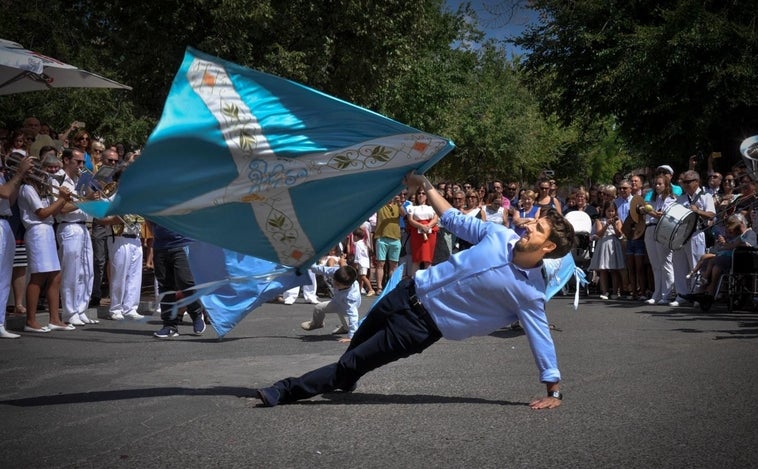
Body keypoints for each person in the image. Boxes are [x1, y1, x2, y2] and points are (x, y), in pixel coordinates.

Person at [253, 171, 575, 409]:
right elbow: (452, 218)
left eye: (539, 228)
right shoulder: (498, 235)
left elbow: (539, 336)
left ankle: (284, 390)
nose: (529, 224)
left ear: (547, 246)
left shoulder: (530, 292)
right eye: (534, 222)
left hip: (420, 327)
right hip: (404, 294)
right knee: (355, 352)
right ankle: (346, 377)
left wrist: (553, 390)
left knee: (350, 364)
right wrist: (427, 186)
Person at [17, 154, 75, 332]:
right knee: (38, 276)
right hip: (37, 231)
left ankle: (54, 319)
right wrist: (62, 199)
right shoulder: (27, 188)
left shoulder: (43, 189)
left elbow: (56, 211)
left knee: (55, 276)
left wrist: (62, 199)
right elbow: (42, 213)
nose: (42, 174)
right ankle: (31, 320)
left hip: (47, 230)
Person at [52, 148, 98, 325]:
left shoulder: (80, 180)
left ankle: (81, 308)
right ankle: (69, 312)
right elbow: (62, 208)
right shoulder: (58, 180)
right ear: (65, 160)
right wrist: (86, 199)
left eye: (82, 162)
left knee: (86, 271)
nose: (81, 166)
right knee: (71, 272)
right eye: (78, 162)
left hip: (83, 227)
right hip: (69, 227)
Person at [151, 222, 207, 338]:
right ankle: (169, 326)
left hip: (182, 243)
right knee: (165, 286)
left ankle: (196, 314)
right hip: (160, 245)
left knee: (185, 282)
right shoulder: (150, 204)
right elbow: (149, 219)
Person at [670, 170, 715, 307]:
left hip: (696, 234)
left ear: (697, 182)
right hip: (681, 235)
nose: (685, 184)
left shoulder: (706, 196)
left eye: (688, 182)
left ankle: (697, 295)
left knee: (696, 265)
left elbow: (712, 215)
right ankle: (682, 295)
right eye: (684, 182)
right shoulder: (682, 198)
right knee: (679, 265)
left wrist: (698, 211)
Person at [0, 153, 33, 338]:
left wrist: (18, 178)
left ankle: (0, 322)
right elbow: (4, 192)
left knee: (4, 277)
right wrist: (19, 174)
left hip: (5, 221)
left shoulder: (3, 175)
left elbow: (10, 200)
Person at [300, 259, 361, 339]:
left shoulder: (351, 297)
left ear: (347, 285)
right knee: (318, 308)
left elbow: (353, 315)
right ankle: (317, 324)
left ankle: (346, 328)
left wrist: (351, 337)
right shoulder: (337, 273)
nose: (334, 284)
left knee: (349, 325)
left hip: (345, 307)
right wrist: (309, 266)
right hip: (336, 301)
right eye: (334, 281)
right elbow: (322, 269)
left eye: (338, 284)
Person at [643, 176, 676, 305]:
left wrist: (650, 212)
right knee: (655, 265)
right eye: (655, 184)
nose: (657, 186)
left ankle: (667, 294)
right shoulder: (653, 199)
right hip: (650, 229)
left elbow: (663, 215)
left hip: (663, 229)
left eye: (660, 184)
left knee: (666, 263)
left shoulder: (670, 199)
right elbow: (646, 211)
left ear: (666, 185)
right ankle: (657, 293)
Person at [589, 202, 625, 300]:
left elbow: (620, 234)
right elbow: (599, 234)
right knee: (603, 269)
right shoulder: (599, 220)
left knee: (614, 269)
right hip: (603, 244)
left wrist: (613, 225)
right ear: (604, 211)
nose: (610, 213)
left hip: (614, 245)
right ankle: (604, 291)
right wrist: (606, 225)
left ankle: (614, 291)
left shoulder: (618, 221)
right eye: (608, 211)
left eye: (612, 211)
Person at [403, 186, 439, 275]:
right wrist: (420, 226)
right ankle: (414, 281)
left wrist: (428, 226)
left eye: (423, 193)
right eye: (419, 193)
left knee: (428, 259)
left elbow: (435, 218)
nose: (421, 195)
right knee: (417, 259)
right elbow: (410, 220)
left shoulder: (432, 207)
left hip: (430, 233)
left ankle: (428, 282)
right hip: (417, 234)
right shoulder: (412, 208)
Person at [373, 195, 402, 294]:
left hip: (395, 238)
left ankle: (392, 287)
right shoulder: (380, 204)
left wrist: (399, 203)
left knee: (394, 265)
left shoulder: (397, 205)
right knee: (380, 264)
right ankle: (379, 288)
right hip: (382, 238)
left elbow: (404, 214)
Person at [350, 228, 375, 296]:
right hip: (365, 262)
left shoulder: (358, 244)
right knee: (360, 277)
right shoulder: (363, 243)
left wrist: (356, 262)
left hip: (361, 262)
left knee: (363, 276)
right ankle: (359, 290)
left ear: (356, 236)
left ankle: (371, 289)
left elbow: (358, 254)